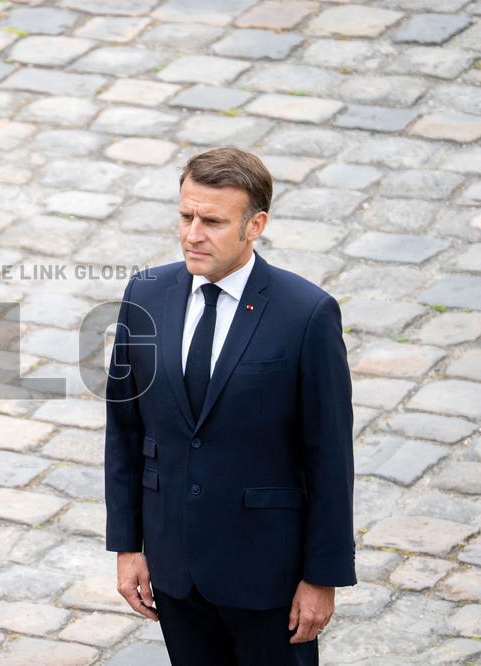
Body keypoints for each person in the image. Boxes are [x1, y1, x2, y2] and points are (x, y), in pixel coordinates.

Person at [104, 147, 356, 665]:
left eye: (212, 221)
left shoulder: (306, 314)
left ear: (254, 224)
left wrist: (322, 577)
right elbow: (125, 430)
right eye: (185, 215)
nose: (193, 234)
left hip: (269, 579)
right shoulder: (145, 294)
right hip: (174, 571)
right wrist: (128, 546)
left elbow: (329, 456)